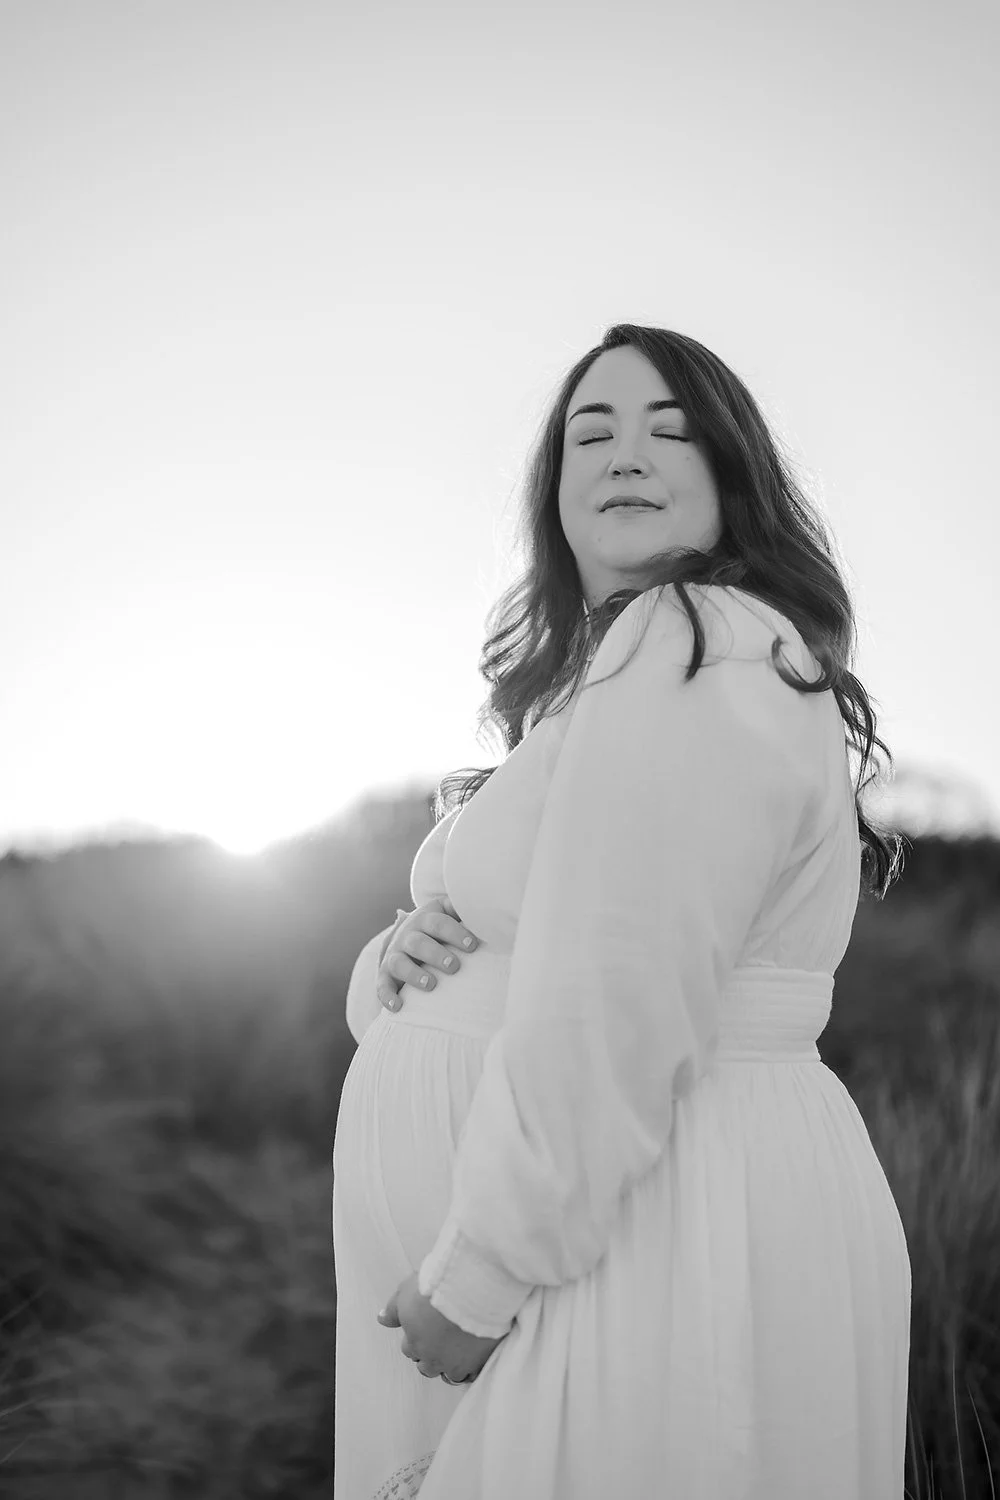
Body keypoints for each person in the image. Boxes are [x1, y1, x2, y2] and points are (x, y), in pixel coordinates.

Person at [332, 324, 912, 1499]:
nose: (625, 455)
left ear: (730, 474)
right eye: (589, 434)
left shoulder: (695, 641)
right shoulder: (600, 683)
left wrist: (475, 1279)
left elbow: (623, 993)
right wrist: (390, 965)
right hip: (611, 1216)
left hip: (655, 1222)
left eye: (670, 430)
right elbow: (528, 933)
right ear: (553, 494)